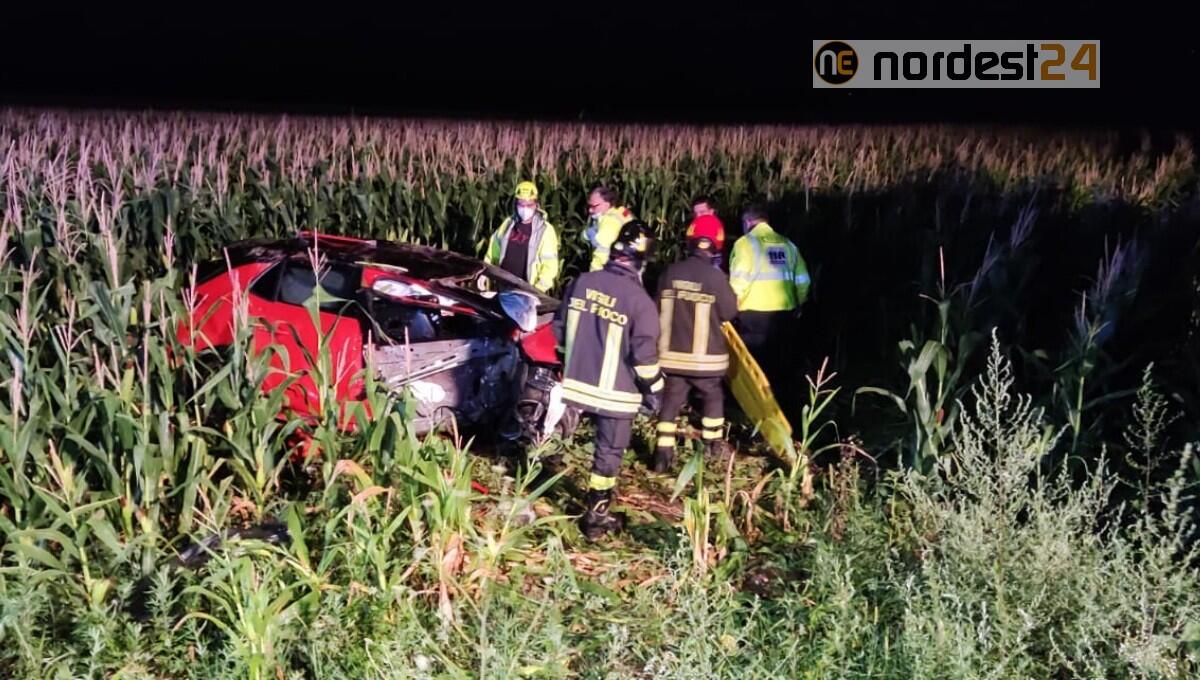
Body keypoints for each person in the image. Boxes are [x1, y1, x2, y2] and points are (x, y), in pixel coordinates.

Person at [553, 219, 664, 540]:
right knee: (607, 455)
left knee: (556, 441)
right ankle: (595, 517)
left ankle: (539, 476)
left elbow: (559, 333)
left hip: (573, 386)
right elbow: (644, 358)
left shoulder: (581, 282)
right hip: (616, 396)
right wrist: (656, 391)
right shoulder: (640, 301)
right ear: (641, 261)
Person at [652, 233, 738, 472]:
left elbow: (655, 305)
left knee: (671, 400)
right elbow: (730, 312)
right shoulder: (715, 276)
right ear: (711, 254)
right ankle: (712, 447)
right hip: (705, 360)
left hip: (671, 356)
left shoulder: (669, 272)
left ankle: (662, 455)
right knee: (713, 398)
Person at [727, 203, 811, 384]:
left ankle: (755, 408)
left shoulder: (745, 244)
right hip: (784, 315)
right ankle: (781, 404)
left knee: (755, 367)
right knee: (781, 364)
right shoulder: (788, 245)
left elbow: (738, 282)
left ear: (747, 222)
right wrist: (799, 303)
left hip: (753, 315)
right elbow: (804, 281)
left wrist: (730, 307)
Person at [484, 180, 561, 293]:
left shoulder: (544, 230)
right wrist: (485, 272)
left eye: (529, 204)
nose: (525, 209)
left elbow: (550, 264)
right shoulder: (508, 223)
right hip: (503, 287)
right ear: (516, 204)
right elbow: (493, 251)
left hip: (527, 291)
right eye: (521, 204)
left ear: (536, 204)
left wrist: (538, 289)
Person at [583, 185, 635, 272]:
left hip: (607, 270)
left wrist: (588, 234)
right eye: (589, 206)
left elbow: (600, 248)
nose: (590, 210)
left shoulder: (609, 222)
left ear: (607, 204)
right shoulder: (621, 212)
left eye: (594, 206)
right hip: (626, 269)